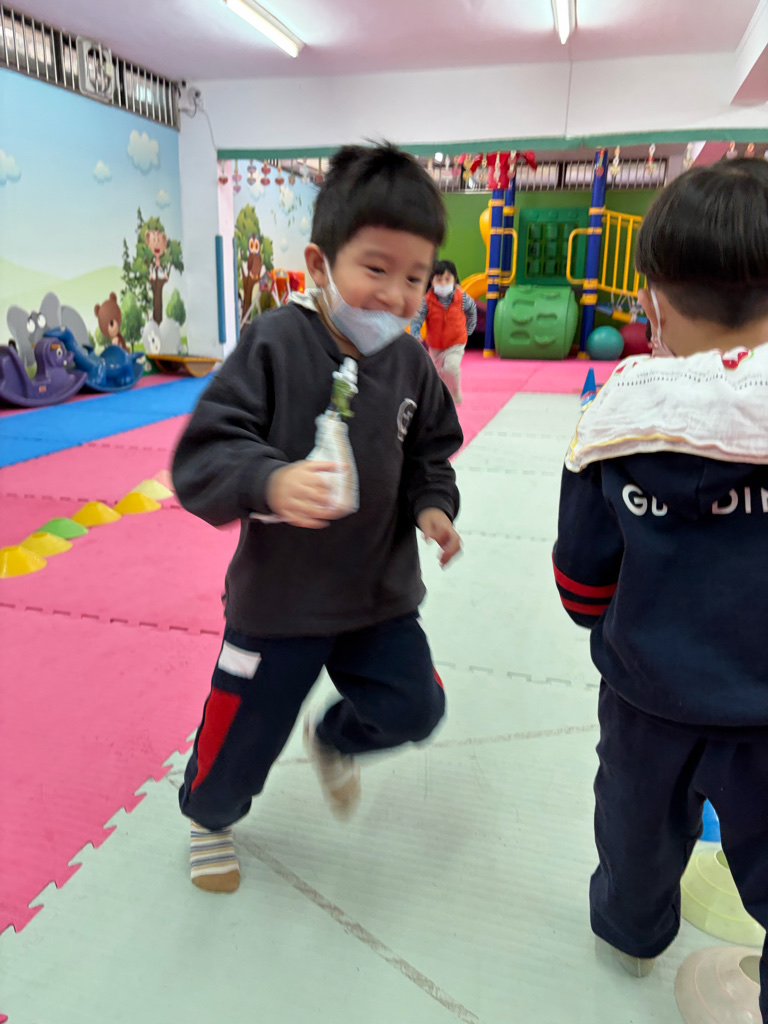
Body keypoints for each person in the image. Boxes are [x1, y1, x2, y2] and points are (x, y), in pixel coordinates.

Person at [172, 143, 463, 894]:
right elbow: (204, 454)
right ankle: (209, 816)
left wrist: (433, 505)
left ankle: (334, 737)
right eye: (377, 269)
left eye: (416, 278)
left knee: (416, 706)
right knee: (240, 741)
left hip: (376, 599)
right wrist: (270, 481)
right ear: (320, 263)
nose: (397, 296)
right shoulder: (273, 343)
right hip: (280, 606)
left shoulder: (410, 362)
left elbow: (432, 449)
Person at [552, 158, 768, 1020]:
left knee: (634, 833)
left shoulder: (618, 417)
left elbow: (581, 580)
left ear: (655, 305)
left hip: (647, 699)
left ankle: (632, 932)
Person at [410, 259, 476, 405]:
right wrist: (415, 332)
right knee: (439, 374)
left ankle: (455, 393)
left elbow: (472, 310)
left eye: (447, 279)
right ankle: (443, 398)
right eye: (439, 280)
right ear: (431, 281)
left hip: (456, 342)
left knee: (451, 368)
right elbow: (417, 318)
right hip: (436, 345)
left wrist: (470, 327)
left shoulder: (462, 297)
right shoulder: (427, 301)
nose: (443, 283)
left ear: (454, 279)